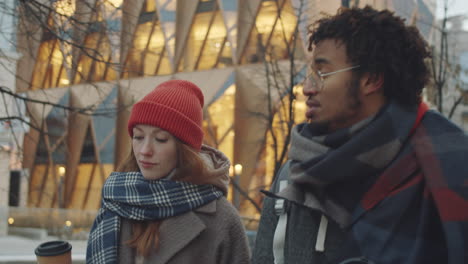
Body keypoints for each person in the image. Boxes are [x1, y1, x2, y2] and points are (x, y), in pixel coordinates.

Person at [252, 6, 468, 264]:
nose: (307, 88)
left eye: (322, 73)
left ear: (371, 79)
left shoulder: (448, 169)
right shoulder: (293, 176)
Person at [86, 80, 251, 264]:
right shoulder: (116, 203)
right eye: (138, 137)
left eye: (161, 139)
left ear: (184, 149)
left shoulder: (222, 219)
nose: (144, 150)